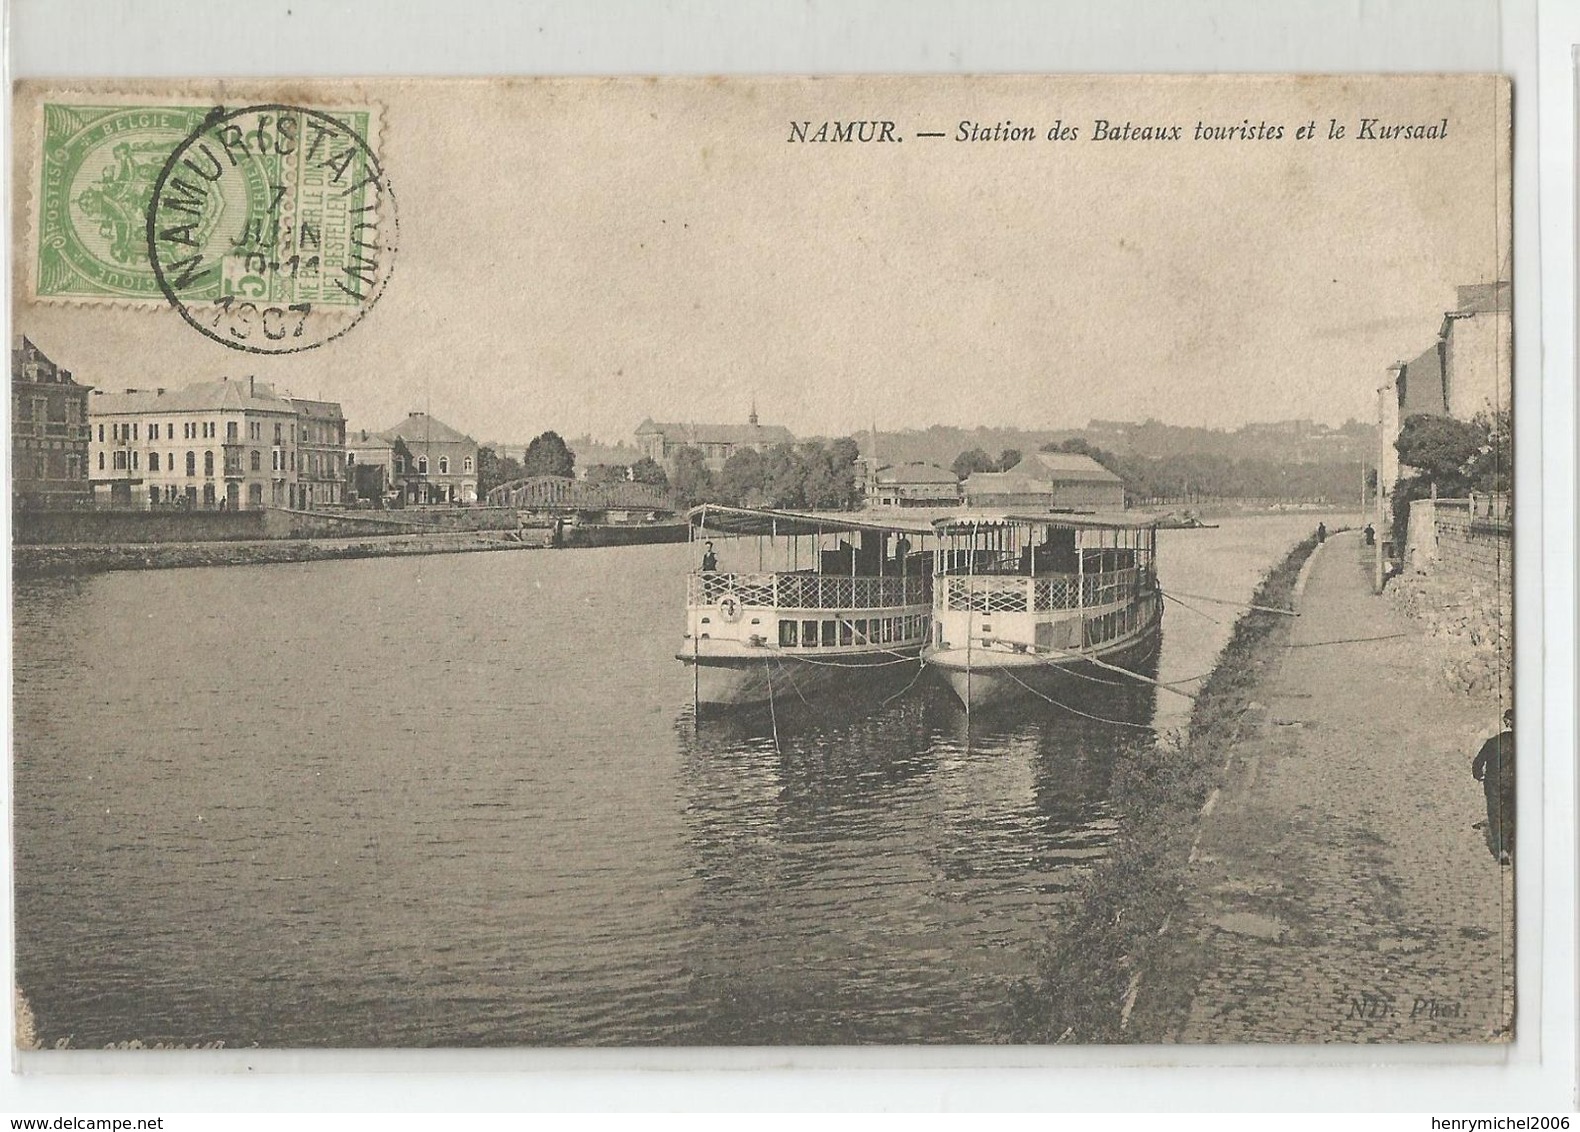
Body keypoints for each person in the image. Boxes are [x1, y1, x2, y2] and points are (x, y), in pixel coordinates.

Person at [1472, 708, 1514, 864]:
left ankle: (1502, 850)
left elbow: (1478, 763)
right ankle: (1509, 847)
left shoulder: (1493, 742)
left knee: (1495, 815)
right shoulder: (1523, 743)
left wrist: (1479, 775)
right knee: (1509, 814)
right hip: (1512, 783)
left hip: (1493, 784)